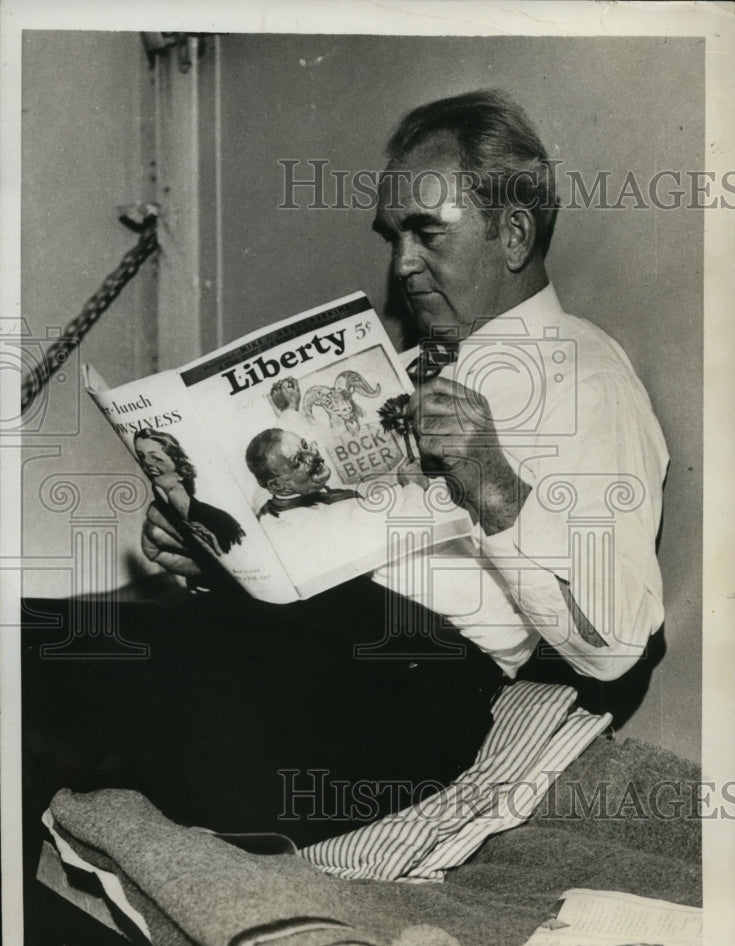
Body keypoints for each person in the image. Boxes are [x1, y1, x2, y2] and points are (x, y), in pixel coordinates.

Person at [143, 89, 668, 686]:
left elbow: (617, 646)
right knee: (46, 639)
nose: (401, 267)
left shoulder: (585, 380)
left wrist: (492, 486)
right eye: (393, 238)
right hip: (311, 634)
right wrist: (215, 556)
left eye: (427, 233)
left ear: (515, 234)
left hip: (414, 665)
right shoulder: (409, 365)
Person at [134, 428, 245, 559]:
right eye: (142, 457)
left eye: (156, 458)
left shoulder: (220, 519)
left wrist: (216, 550)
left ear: (180, 471)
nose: (146, 463)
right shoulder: (161, 512)